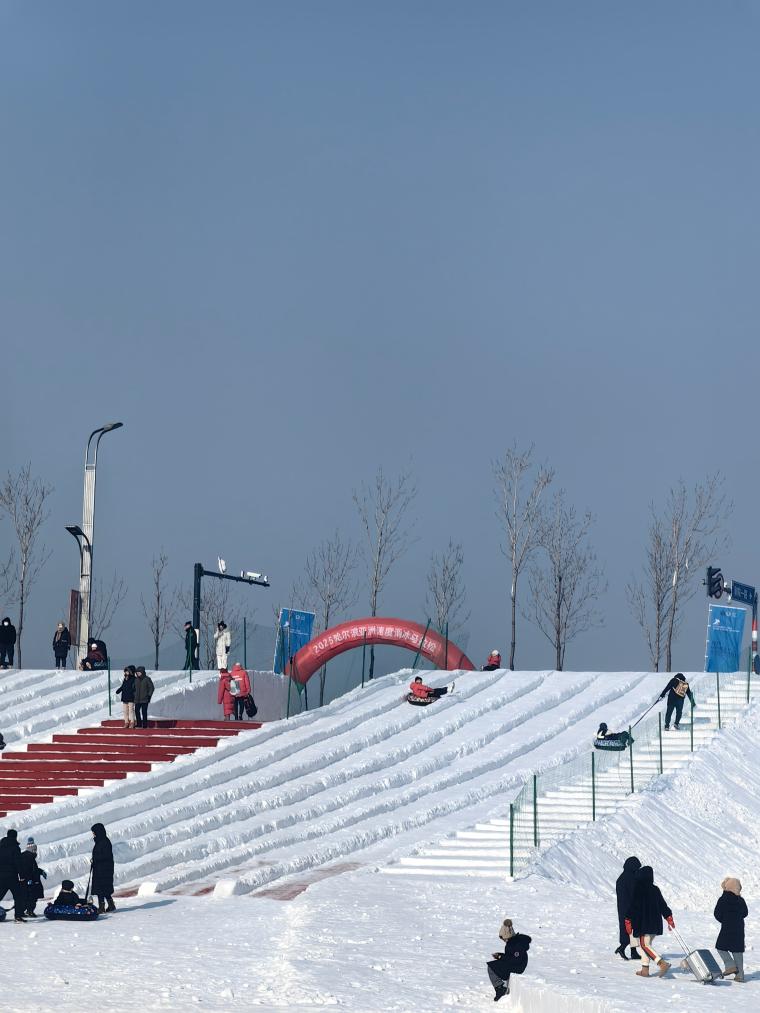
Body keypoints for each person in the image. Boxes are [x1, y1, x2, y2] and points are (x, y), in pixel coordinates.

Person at [624, 865, 674, 977]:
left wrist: (628, 918)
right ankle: (645, 970)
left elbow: (634, 906)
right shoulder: (655, 889)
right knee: (645, 946)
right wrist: (668, 917)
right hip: (654, 924)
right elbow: (663, 905)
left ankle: (662, 963)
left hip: (644, 924)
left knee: (644, 945)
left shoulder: (638, 889)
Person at [486, 917, 531, 1001]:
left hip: (518, 966)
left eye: (503, 938)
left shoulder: (517, 944)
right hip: (516, 964)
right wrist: (500, 955)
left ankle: (500, 988)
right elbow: (510, 956)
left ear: (507, 936)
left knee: (491, 967)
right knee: (494, 965)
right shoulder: (512, 942)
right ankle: (500, 987)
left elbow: (516, 960)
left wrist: (501, 957)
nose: (503, 940)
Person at [714, 877, 748, 982]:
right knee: (737, 951)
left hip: (727, 928)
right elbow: (745, 913)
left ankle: (730, 965)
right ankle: (740, 975)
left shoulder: (723, 899)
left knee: (720, 947)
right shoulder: (741, 900)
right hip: (739, 929)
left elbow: (717, 914)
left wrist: (724, 920)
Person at [615, 856, 641, 960]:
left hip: (623, 908)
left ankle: (633, 952)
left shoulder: (622, 877)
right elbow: (634, 894)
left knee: (630, 930)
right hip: (630, 909)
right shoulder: (630, 878)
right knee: (630, 930)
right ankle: (622, 948)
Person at [0, 828, 26, 921]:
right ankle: (18, 916)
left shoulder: (1, 846)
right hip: (12, 876)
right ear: (15, 836)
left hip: (1, 876)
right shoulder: (15, 847)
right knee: (18, 896)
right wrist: (22, 876)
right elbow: (18, 863)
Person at [18, 837, 46, 918]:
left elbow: (34, 869)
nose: (35, 851)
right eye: (34, 849)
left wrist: (41, 871)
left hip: (31, 880)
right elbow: (27, 870)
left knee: (28, 897)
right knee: (31, 897)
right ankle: (28, 911)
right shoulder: (27, 857)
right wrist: (29, 879)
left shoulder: (29, 857)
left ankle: (25, 911)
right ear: (31, 849)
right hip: (30, 881)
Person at [91, 823, 115, 913]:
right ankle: (111, 905)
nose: (93, 834)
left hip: (103, 870)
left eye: (94, 832)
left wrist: (95, 859)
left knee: (100, 889)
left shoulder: (104, 842)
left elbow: (105, 855)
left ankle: (102, 907)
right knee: (104, 889)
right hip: (101, 869)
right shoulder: (101, 841)